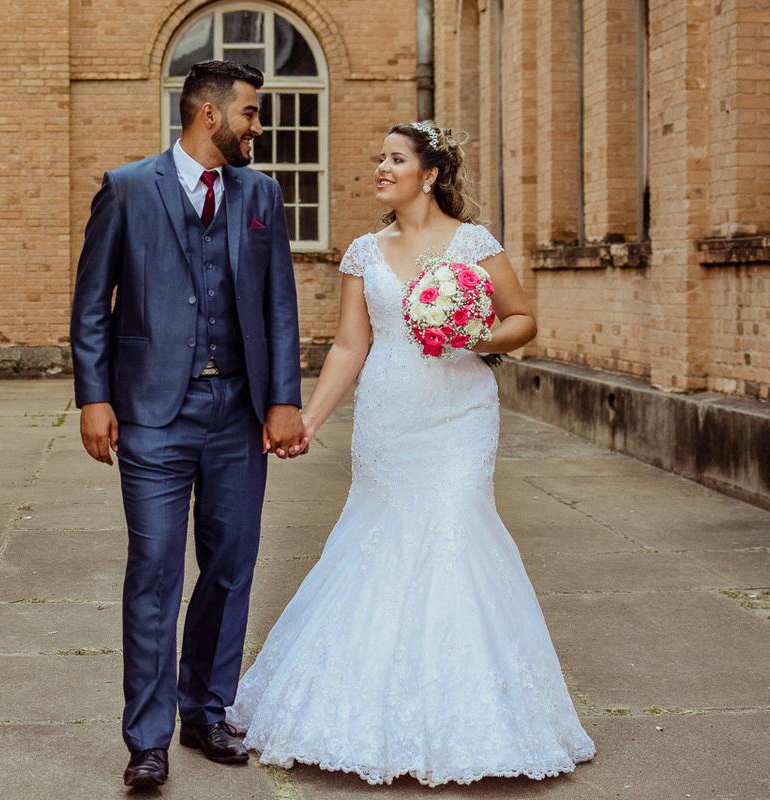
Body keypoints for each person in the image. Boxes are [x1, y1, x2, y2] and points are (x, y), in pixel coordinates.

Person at [226, 121, 597, 786]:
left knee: (455, 535)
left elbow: (522, 320)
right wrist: (308, 420)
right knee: (380, 539)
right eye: (380, 157)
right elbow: (348, 344)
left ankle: (474, 722)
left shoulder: (473, 244)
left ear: (428, 174)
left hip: (459, 415)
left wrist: (474, 335)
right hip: (389, 419)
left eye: (395, 158)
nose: (381, 167)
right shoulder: (364, 252)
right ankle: (363, 714)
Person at [70, 59, 306, 788]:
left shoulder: (260, 193)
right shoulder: (128, 188)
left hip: (237, 412)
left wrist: (283, 398)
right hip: (150, 414)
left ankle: (206, 710)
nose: (258, 129)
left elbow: (278, 305)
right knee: (155, 570)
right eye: (251, 115)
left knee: (231, 568)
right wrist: (93, 397)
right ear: (211, 116)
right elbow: (91, 304)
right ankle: (147, 740)